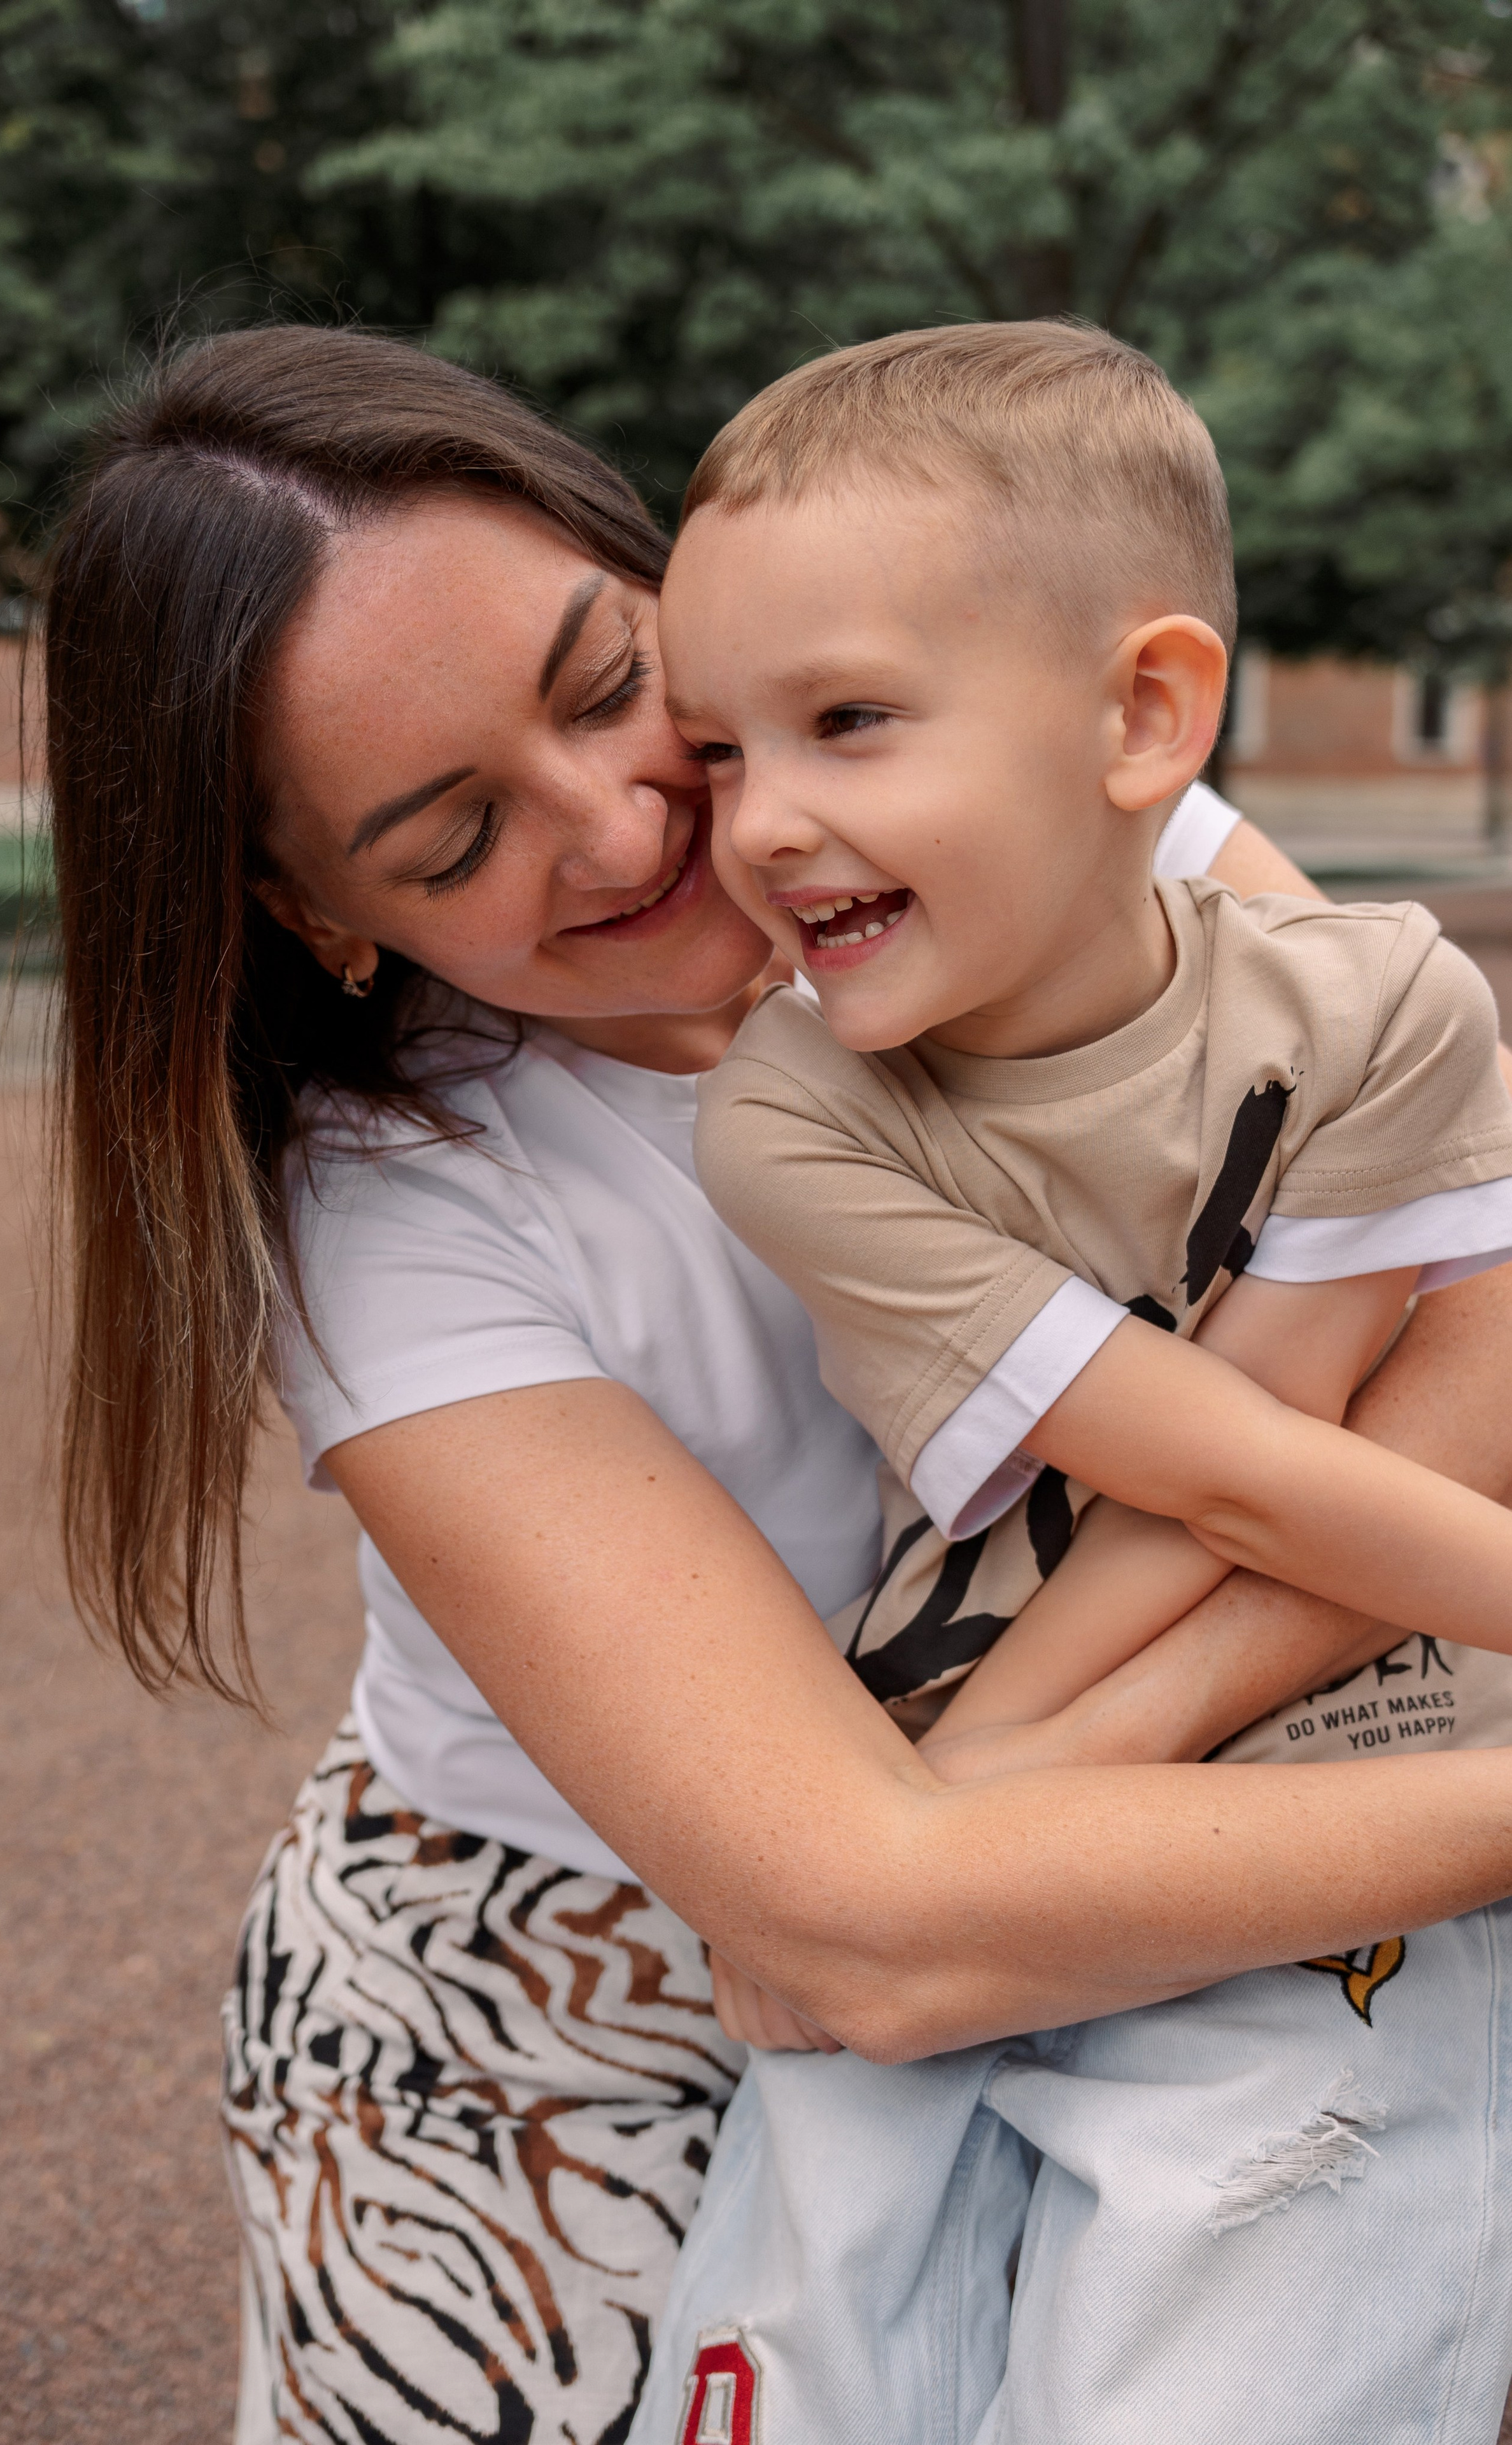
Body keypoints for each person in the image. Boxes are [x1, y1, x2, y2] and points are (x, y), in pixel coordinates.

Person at [40, 325, 1512, 2445]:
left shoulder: (1050, 818)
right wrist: (958, 1834)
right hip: (586, 2007)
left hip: (1078, 1804)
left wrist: (1060, 1749)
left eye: (605, 681)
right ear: (317, 914)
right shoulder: (401, 1205)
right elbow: (851, 1927)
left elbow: (1470, 1307)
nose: (627, 820)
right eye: (452, 839)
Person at [632, 322, 1512, 2445]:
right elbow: (1219, 1465)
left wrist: (997, 1792)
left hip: (1306, 1818)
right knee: (785, 2379)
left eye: (847, 721)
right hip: (976, 1796)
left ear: (1144, 717)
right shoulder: (791, 1118)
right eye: (723, 751)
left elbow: (1285, 1469)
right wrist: (936, 1834)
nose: (765, 824)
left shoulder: (1382, 1006)